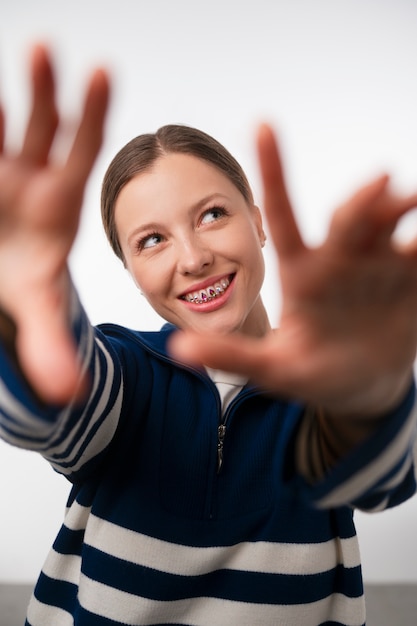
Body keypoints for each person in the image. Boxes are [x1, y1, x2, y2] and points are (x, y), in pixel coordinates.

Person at [1, 44, 417, 626]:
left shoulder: (320, 389)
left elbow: (383, 481)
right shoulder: (124, 375)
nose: (194, 258)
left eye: (212, 215)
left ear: (260, 222)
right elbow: (50, 410)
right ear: (131, 274)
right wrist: (17, 318)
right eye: (152, 240)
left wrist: (371, 390)